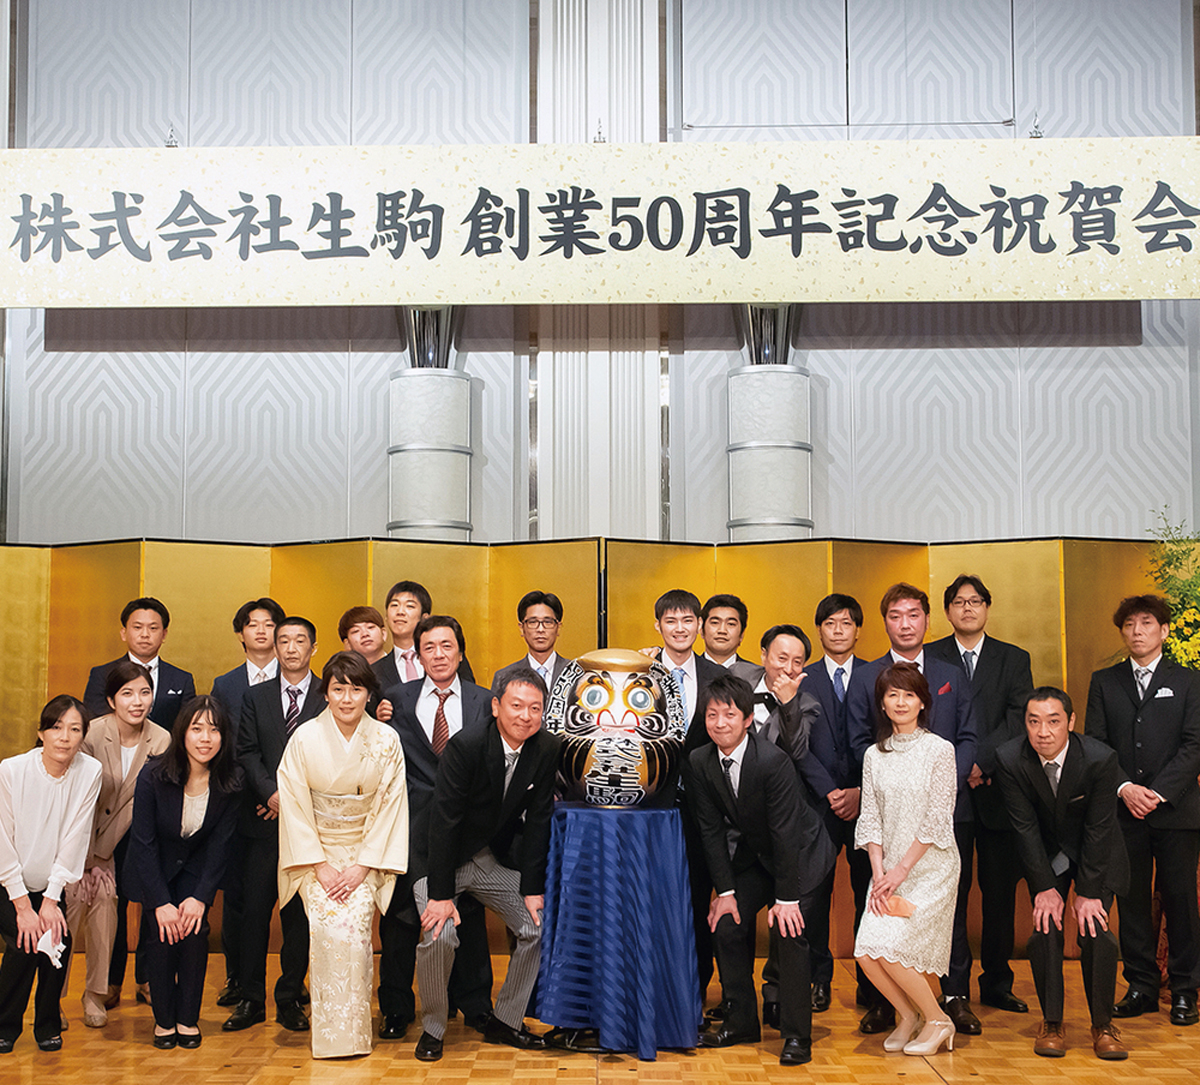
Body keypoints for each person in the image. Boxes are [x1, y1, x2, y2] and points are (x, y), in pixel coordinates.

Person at [846, 583, 978, 1035]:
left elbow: (969, 735)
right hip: (888, 840)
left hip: (936, 840)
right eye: (895, 615)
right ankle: (898, 1010)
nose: (905, 623)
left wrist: (942, 785)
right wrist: (882, 866)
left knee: (945, 925)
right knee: (875, 939)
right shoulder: (866, 681)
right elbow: (858, 744)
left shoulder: (949, 674)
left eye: (913, 614)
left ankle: (949, 1003)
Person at [412, 667, 560, 1062]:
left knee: (537, 926)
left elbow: (540, 820)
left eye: (535, 708)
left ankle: (506, 1021)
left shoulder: (546, 748)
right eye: (516, 706)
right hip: (438, 858)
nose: (525, 716)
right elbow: (445, 822)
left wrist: (532, 888)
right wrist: (441, 895)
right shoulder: (468, 745)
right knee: (440, 935)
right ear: (496, 707)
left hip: (487, 858)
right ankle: (433, 1028)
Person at [277, 650, 409, 1058]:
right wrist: (319, 864)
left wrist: (362, 866)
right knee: (326, 930)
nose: (347, 698)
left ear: (369, 694)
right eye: (338, 689)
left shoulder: (386, 740)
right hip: (316, 856)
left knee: (355, 933)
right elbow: (293, 803)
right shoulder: (304, 738)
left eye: (356, 689)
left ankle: (353, 1034)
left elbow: (391, 805)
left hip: (364, 855)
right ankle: (331, 1035)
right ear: (326, 693)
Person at [686, 674, 823, 1066]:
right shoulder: (700, 761)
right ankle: (742, 1021)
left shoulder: (772, 761)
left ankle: (797, 1035)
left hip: (801, 855)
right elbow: (711, 831)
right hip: (756, 857)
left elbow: (786, 834)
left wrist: (787, 899)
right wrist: (725, 893)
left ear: (747, 719)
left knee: (789, 932)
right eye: (712, 715)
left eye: (729, 715)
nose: (720, 723)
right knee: (727, 925)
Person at [996, 688, 1130, 1060]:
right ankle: (1052, 1023)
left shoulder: (1100, 758)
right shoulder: (1009, 758)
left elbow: (1099, 829)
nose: (1043, 732)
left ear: (1070, 722)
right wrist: (1044, 887)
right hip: (1045, 853)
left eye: (1053, 721)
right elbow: (1024, 827)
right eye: (1034, 722)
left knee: (1095, 930)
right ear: (1024, 724)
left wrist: (1087, 892)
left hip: (1094, 853)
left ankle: (1103, 1025)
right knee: (1045, 929)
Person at [378, 615, 494, 1041]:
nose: (439, 655)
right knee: (401, 918)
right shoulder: (395, 699)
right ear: (418, 655)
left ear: (460, 653)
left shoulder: (486, 700)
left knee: (469, 916)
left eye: (447, 646)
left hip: (466, 829)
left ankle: (476, 1004)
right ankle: (396, 1006)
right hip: (409, 827)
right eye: (429, 647)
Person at [1086, 594, 1200, 1027]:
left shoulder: (1189, 681)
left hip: (1176, 811)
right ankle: (1141, 986)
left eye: (1147, 623)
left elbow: (1194, 745)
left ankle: (1185, 989)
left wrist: (1157, 792)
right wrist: (1125, 788)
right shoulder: (1104, 681)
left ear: (1164, 630)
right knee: (1131, 900)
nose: (1137, 631)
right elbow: (1096, 743)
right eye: (1129, 624)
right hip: (1123, 810)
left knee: (1180, 900)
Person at [926, 575, 1034, 1014]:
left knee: (999, 894)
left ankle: (997, 982)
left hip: (996, 790)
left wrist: (979, 761)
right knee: (950, 893)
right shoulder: (930, 656)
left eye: (975, 601)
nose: (967, 608)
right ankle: (953, 988)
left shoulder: (1014, 659)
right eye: (958, 602)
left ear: (987, 607)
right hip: (945, 793)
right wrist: (958, 765)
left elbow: (1018, 719)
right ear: (947, 611)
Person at [854, 662, 960, 1057]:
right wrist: (879, 871)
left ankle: (938, 1019)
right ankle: (907, 1015)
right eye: (892, 694)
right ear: (882, 703)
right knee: (866, 951)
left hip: (931, 868)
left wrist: (900, 871)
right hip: (888, 870)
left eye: (909, 695)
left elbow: (937, 818)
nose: (901, 702)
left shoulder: (939, 750)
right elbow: (871, 818)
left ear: (923, 702)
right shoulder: (874, 755)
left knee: (893, 949)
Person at [124, 696, 241, 1049]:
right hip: (154, 870)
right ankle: (164, 1021)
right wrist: (160, 901)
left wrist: (201, 897)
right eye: (197, 729)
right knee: (162, 935)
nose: (205, 738)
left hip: (196, 869)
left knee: (193, 933)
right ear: (182, 733)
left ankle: (187, 1018)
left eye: (214, 730)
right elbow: (143, 843)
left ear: (224, 737)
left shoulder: (231, 780)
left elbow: (221, 845)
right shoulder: (153, 775)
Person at [225, 616, 324, 1034]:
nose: (291, 648)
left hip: (311, 825)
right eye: (284, 640)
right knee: (254, 913)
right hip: (263, 821)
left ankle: (290, 997)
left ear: (313, 648)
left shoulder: (329, 693)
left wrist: (296, 802)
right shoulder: (256, 695)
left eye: (300, 640)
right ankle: (250, 998)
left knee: (298, 916)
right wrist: (270, 794)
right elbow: (246, 752)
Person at [64, 661, 171, 1027]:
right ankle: (51, 997)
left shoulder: (161, 739)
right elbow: (77, 802)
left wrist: (101, 858)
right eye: (127, 693)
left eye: (144, 692)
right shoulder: (91, 735)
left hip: (127, 842)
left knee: (106, 903)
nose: (137, 702)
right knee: (71, 905)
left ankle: (95, 993)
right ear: (111, 700)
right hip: (80, 840)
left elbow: (143, 803)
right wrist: (86, 859)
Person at [0, 696, 102, 1054]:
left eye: (74, 729)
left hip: (49, 883)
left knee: (58, 938)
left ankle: (47, 1024)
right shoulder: (12, 770)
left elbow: (76, 836)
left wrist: (50, 899)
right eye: (56, 727)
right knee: (24, 942)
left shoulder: (90, 771)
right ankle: (5, 1026)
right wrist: (23, 906)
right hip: (6, 881)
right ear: (41, 732)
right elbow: (3, 840)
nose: (65, 737)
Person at [209, 595, 285, 1008]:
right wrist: (260, 793)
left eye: (269, 623)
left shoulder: (298, 681)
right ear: (240, 633)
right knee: (239, 899)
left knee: (291, 904)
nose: (261, 630)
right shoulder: (226, 685)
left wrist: (278, 796)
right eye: (252, 624)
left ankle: (292, 983)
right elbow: (225, 746)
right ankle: (237, 978)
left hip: (292, 806)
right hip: (243, 805)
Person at [800, 593, 869, 1014]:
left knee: (869, 895)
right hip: (818, 805)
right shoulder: (802, 678)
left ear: (858, 630)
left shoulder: (877, 675)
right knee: (815, 898)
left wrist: (861, 790)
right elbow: (796, 745)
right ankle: (818, 980)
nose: (838, 630)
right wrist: (831, 791)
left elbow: (886, 740)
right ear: (819, 630)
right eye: (830, 623)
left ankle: (871, 985)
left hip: (869, 805)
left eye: (846, 623)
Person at [82, 597, 196, 727]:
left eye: (153, 628)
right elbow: (95, 721)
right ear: (124, 633)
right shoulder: (102, 675)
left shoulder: (182, 679)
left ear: (164, 635)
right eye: (137, 627)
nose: (145, 634)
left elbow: (187, 726)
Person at [374, 580, 475, 690]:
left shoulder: (448, 658)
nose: (400, 612)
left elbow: (470, 694)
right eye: (394, 605)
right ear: (386, 616)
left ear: (424, 618)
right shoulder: (375, 671)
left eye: (410, 606)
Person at [491, 591, 571, 693]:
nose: (540, 629)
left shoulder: (576, 674)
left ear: (558, 628)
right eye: (533, 622)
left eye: (547, 622)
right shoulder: (503, 677)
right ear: (521, 629)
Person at [700, 594, 751, 668]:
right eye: (715, 623)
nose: (722, 630)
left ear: (742, 635)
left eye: (731, 624)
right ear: (701, 630)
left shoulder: (756, 674)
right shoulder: (687, 671)